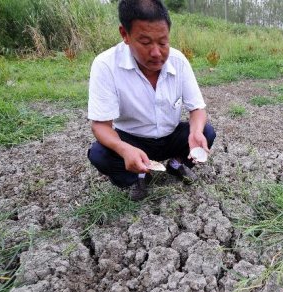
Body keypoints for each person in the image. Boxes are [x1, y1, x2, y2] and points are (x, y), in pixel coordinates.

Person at [87, 0, 215, 201]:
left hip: (169, 136)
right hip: (131, 139)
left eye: (163, 42)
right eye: (146, 43)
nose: (157, 53)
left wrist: (196, 131)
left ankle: (175, 164)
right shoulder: (106, 65)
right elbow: (100, 126)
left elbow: (197, 108)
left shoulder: (178, 61)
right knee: (99, 154)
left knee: (207, 132)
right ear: (125, 35)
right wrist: (124, 149)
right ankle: (138, 176)